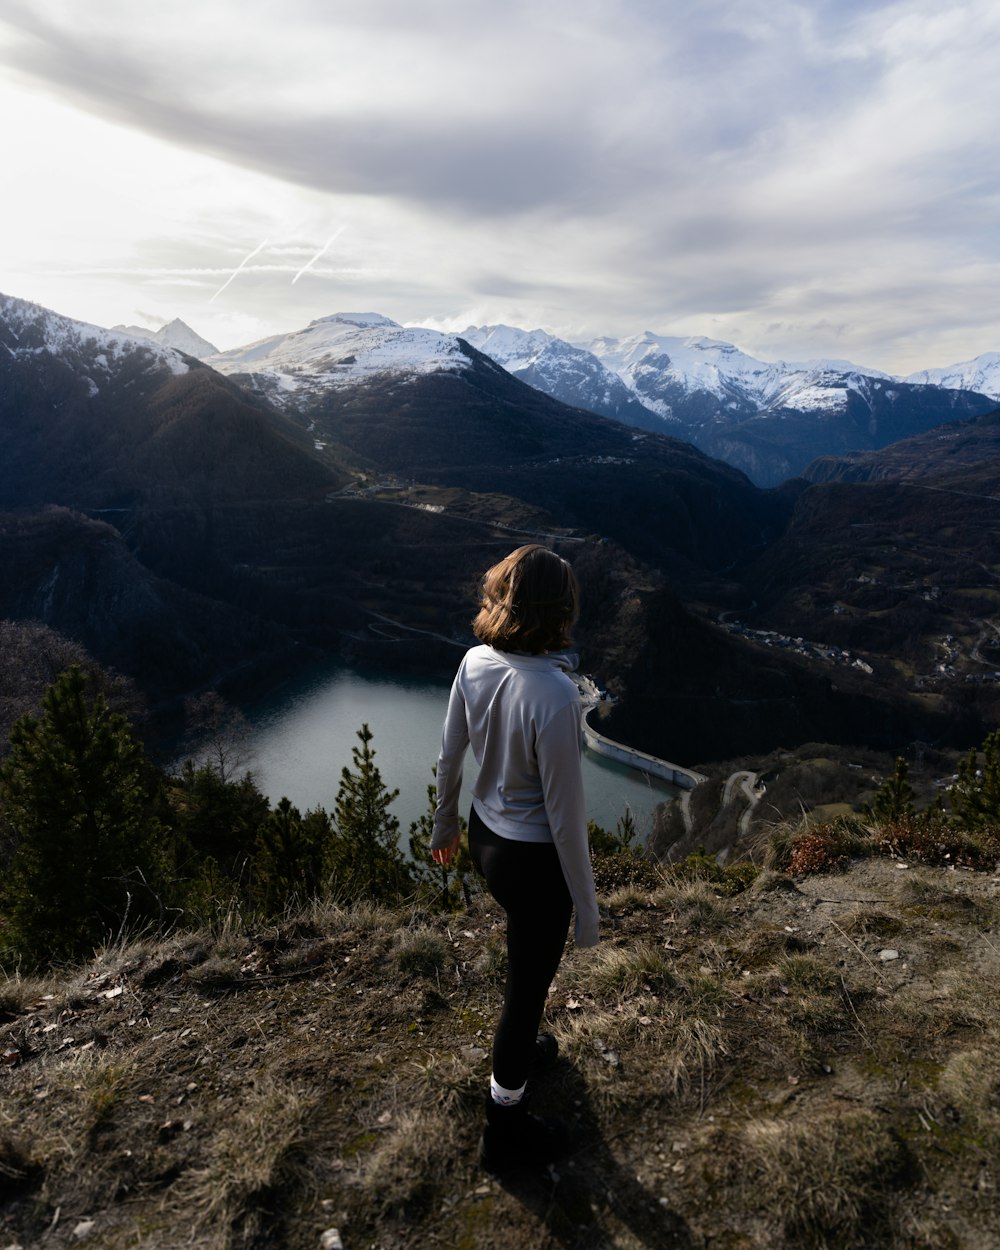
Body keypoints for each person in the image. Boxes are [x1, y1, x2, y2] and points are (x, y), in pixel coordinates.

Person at [431, 544, 600, 1173]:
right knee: (526, 990)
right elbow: (566, 817)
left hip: (483, 840)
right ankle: (503, 1128)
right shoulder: (553, 695)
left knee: (523, 954)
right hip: (533, 862)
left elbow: (450, 755)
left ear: (501, 595)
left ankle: (524, 1052)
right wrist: (585, 909)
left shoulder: (475, 661)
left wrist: (444, 823)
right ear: (561, 612)